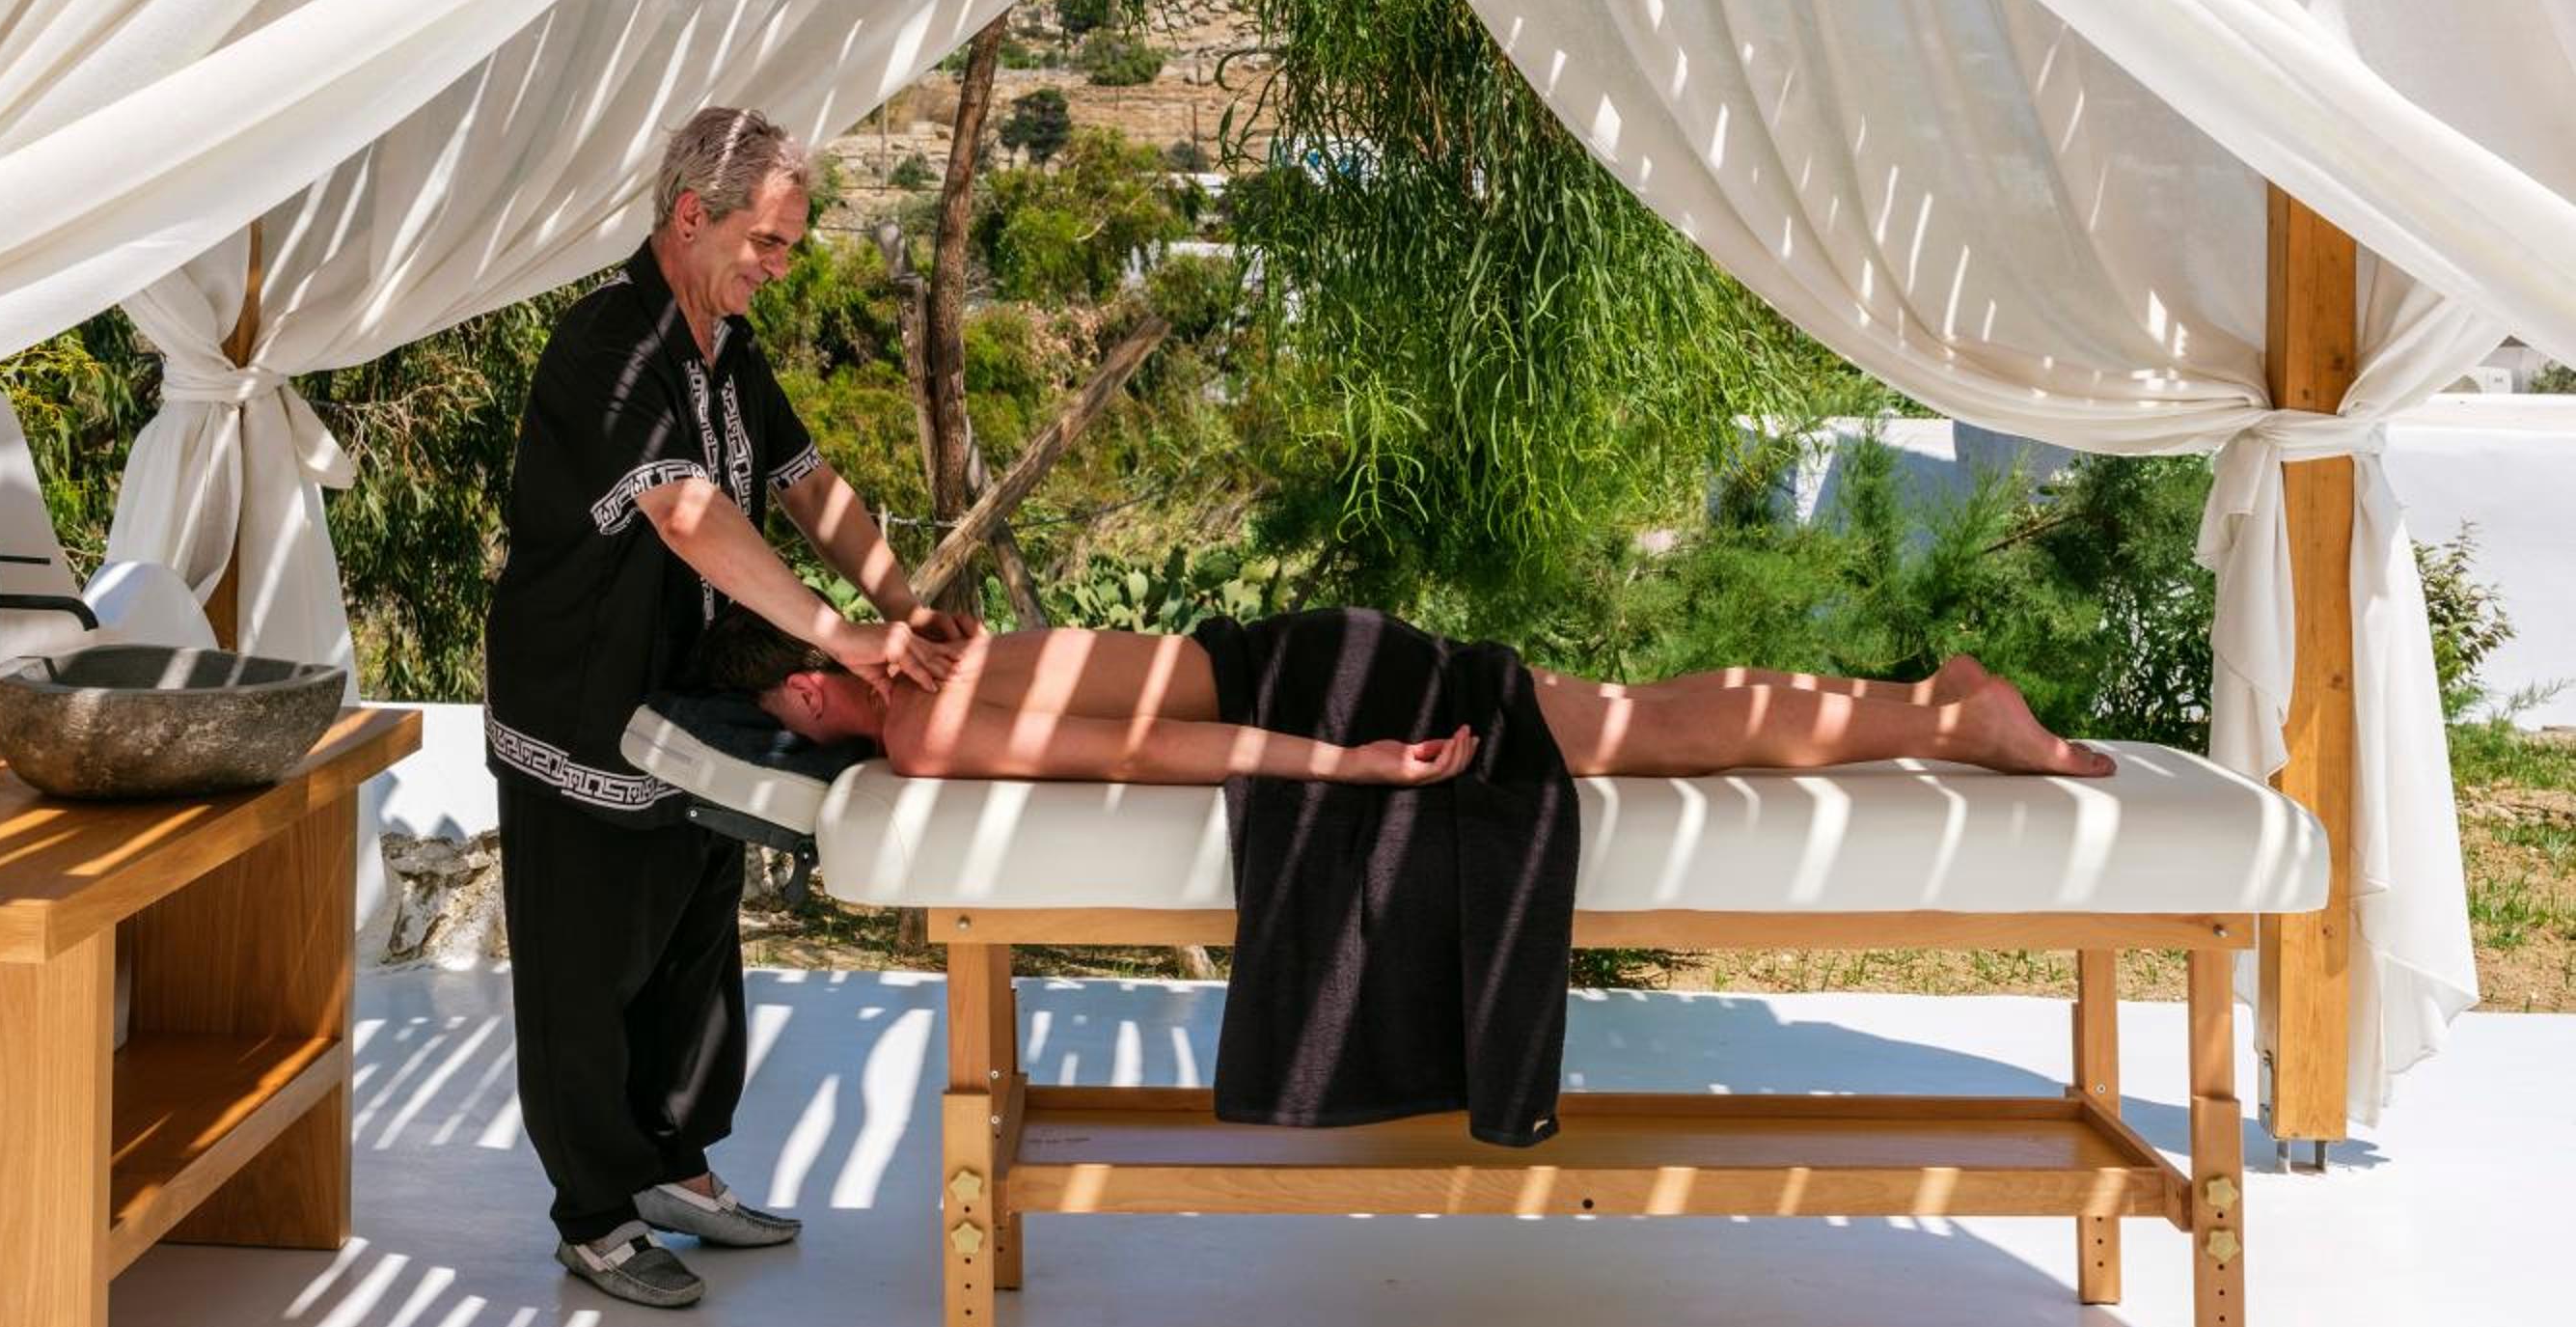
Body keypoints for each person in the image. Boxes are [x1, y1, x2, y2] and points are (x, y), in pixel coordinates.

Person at [483, 106, 973, 1313]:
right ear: (692, 215)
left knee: (692, 943)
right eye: (767, 242)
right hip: (580, 701)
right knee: (585, 967)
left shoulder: (726, 348)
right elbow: (688, 513)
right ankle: (595, 1215)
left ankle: (674, 1168)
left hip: (690, 697)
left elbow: (807, 485)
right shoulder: (608, 343)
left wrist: (906, 607)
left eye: (792, 246)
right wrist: (839, 635)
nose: (780, 266)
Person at [683, 604, 2119, 787]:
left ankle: (1959, 725)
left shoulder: (922, 714)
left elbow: (1156, 747)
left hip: (1315, 688)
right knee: (1631, 707)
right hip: (1304, 647)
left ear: (806, 689)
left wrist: (1343, 763)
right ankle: (1921, 691)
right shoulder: (937, 644)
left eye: (790, 713)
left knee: (1646, 733)